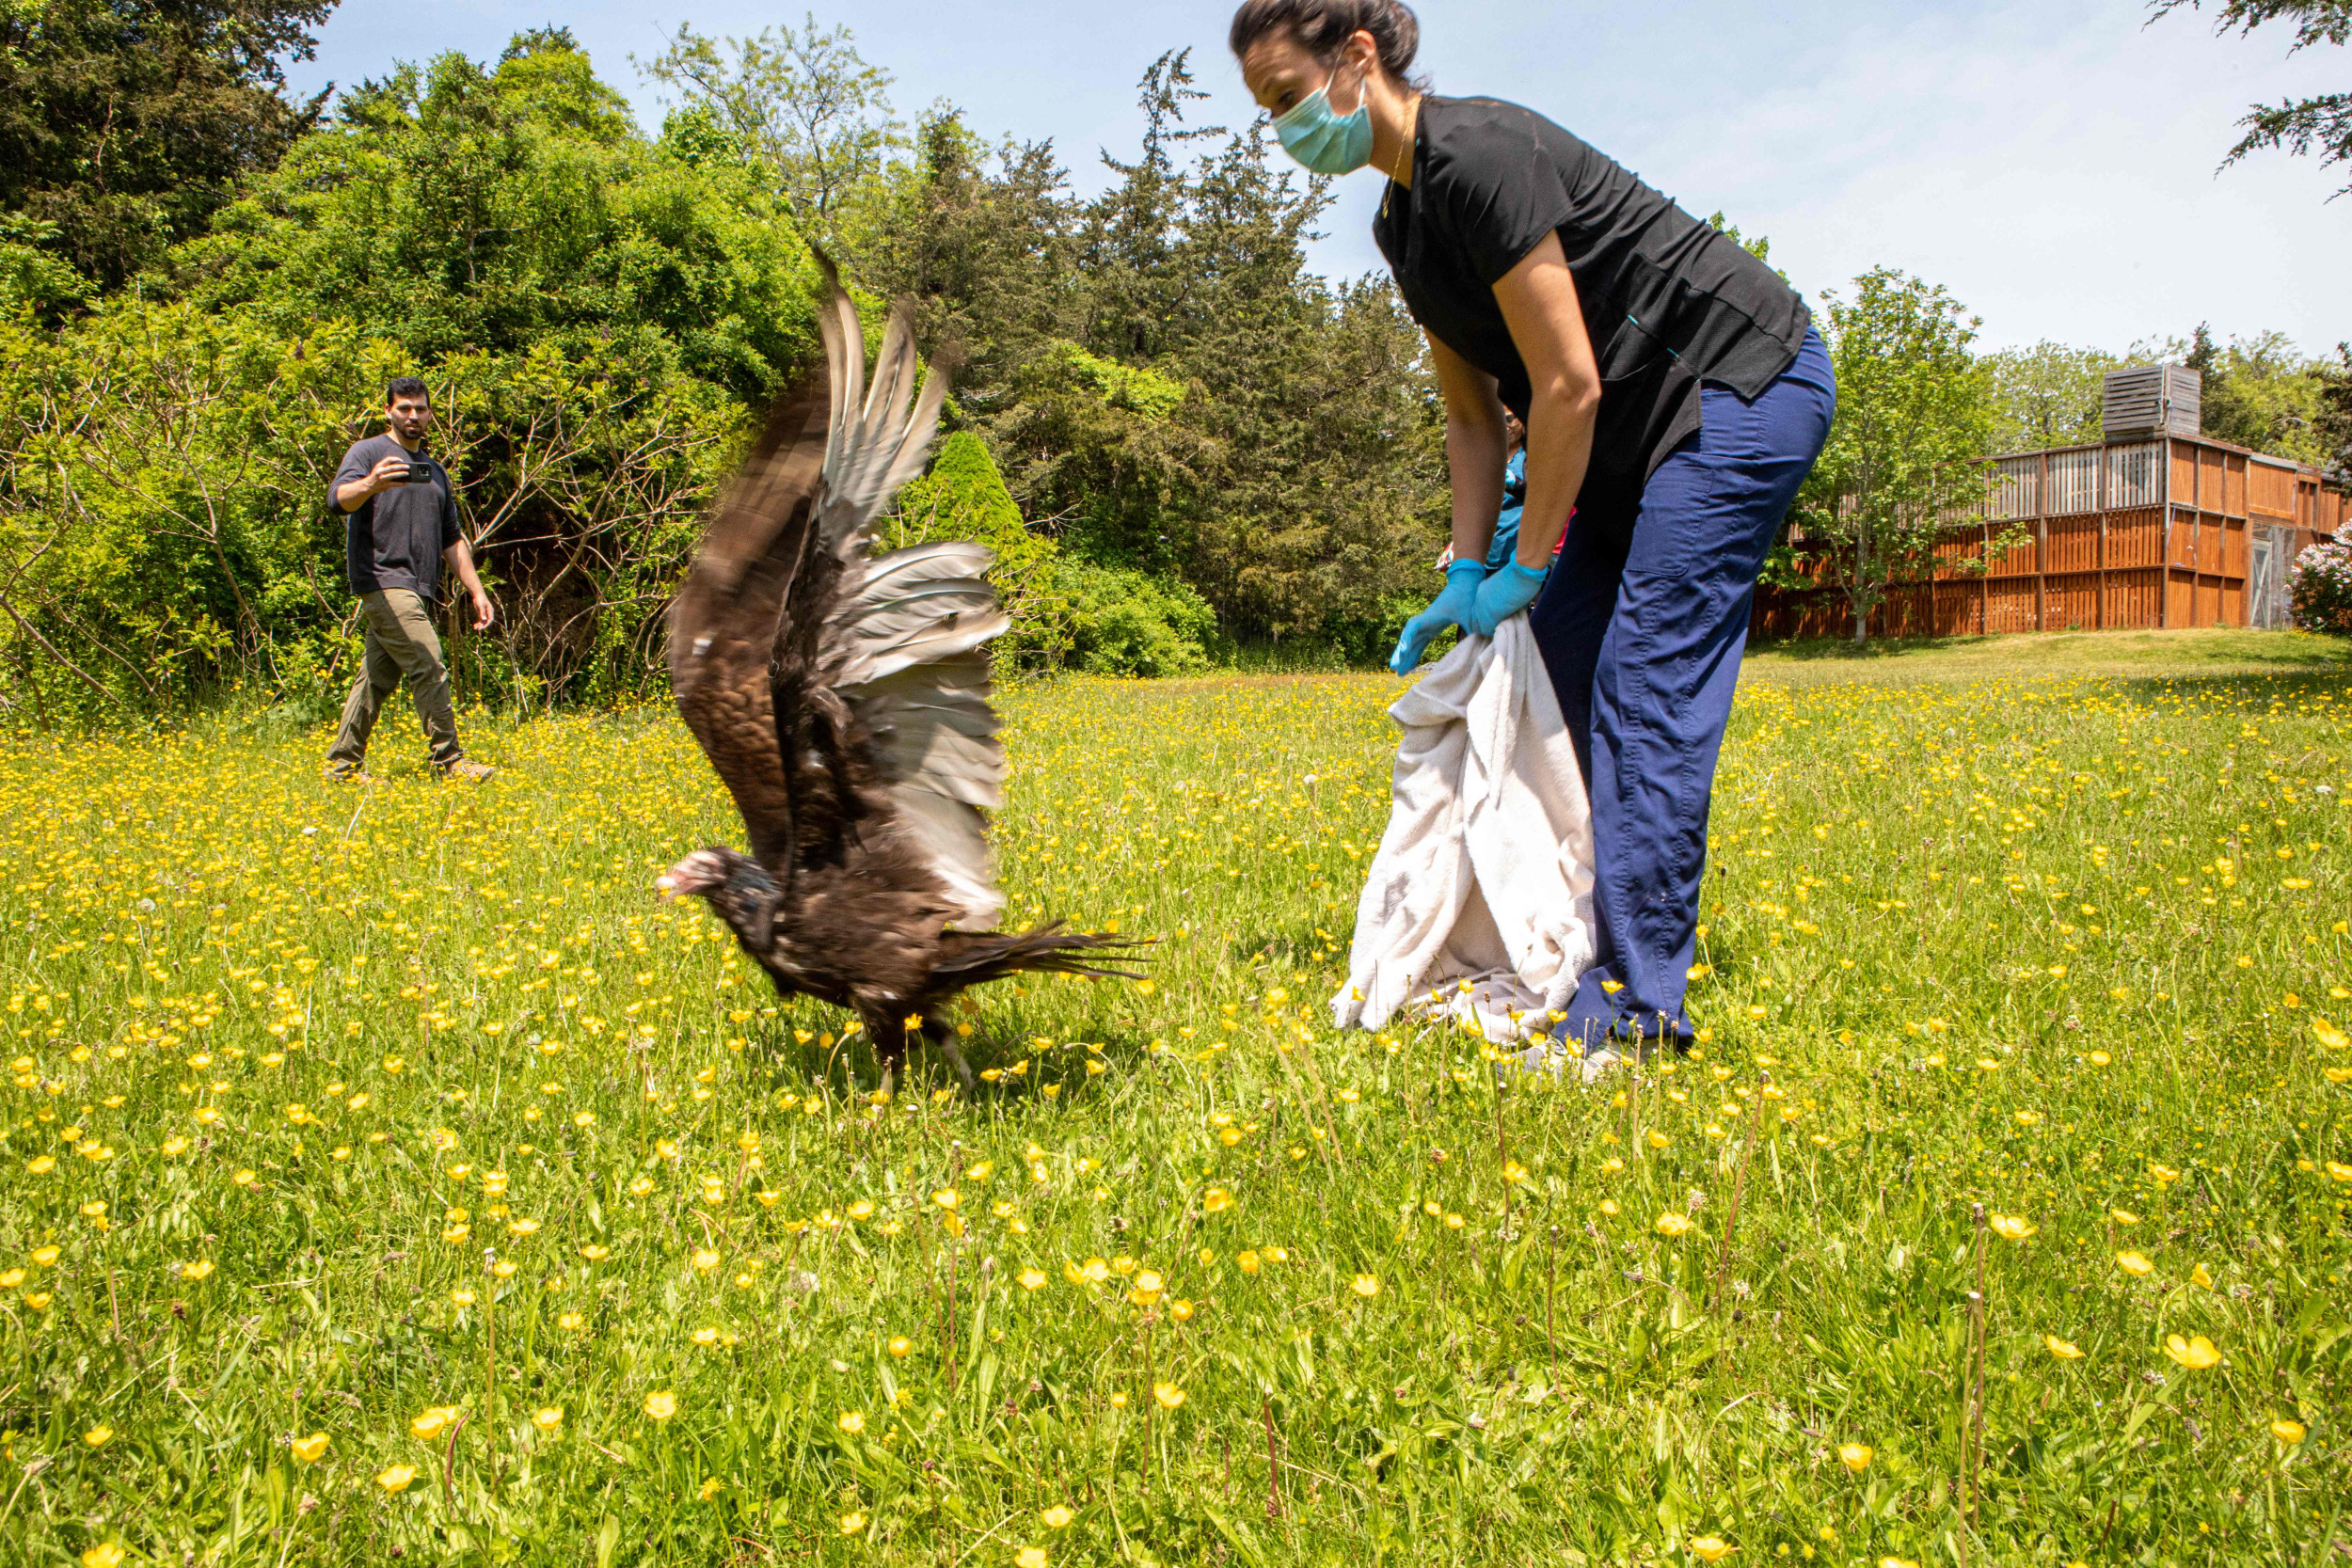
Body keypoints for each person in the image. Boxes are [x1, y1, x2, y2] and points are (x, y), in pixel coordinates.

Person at [1234, 0, 1835, 1058]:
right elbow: (1473, 416)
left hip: (1737, 387)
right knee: (1549, 673)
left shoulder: (1479, 153)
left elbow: (1565, 383)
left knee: (1642, 689)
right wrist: (1468, 573)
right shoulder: (1400, 224)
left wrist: (1528, 558)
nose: (1283, 129)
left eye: (1287, 97)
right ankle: (1564, 939)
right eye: (1265, 111)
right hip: (1621, 432)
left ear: (1356, 59)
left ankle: (1636, 1008)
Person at [323, 377, 498, 783]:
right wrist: (372, 483)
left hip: (418, 584)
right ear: (388, 411)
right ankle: (451, 763)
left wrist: (477, 590)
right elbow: (337, 500)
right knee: (429, 661)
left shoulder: (434, 472)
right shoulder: (368, 452)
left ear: (430, 413)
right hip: (382, 579)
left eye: (420, 408)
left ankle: (342, 766)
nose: (413, 415)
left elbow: (452, 539)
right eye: (404, 408)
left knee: (375, 677)